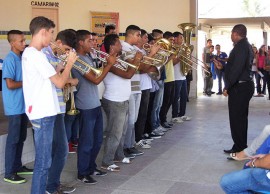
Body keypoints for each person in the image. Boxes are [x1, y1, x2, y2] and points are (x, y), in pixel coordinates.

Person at [22, 16, 77, 194]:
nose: (52, 38)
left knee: (43, 162)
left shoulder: (32, 54)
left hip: (43, 112)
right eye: (51, 33)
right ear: (43, 31)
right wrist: (69, 64)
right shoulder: (36, 55)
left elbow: (46, 79)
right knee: (43, 164)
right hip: (43, 113)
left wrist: (60, 66)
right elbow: (60, 84)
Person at [73, 30, 115, 184]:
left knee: (97, 140)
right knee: (86, 141)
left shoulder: (88, 57)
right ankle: (82, 172)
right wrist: (109, 65)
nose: (93, 44)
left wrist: (104, 64)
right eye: (90, 41)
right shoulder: (77, 60)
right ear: (81, 42)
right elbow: (95, 80)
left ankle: (91, 167)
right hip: (85, 105)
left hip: (95, 103)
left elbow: (97, 75)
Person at [42, 29, 79, 194]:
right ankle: (51, 186)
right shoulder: (44, 54)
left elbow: (56, 75)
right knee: (62, 149)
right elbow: (57, 82)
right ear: (58, 42)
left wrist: (63, 64)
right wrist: (69, 71)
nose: (66, 53)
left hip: (58, 106)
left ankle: (53, 184)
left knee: (56, 149)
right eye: (65, 49)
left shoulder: (53, 55)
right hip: (50, 108)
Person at [101, 33, 138, 171]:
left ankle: (118, 155)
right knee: (114, 133)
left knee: (121, 131)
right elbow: (128, 74)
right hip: (114, 100)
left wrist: (135, 60)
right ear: (111, 46)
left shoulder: (119, 59)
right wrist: (137, 60)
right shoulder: (107, 61)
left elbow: (129, 71)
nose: (121, 45)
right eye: (118, 43)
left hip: (122, 99)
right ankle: (107, 161)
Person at [2, 30, 33, 184]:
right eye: (21, 41)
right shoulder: (10, 60)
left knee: (21, 137)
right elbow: (10, 84)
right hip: (14, 107)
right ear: (12, 43)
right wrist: (28, 83)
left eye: (24, 40)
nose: (23, 43)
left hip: (23, 106)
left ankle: (18, 166)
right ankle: (9, 172)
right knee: (13, 139)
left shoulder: (21, 58)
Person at [223, 24, 254, 154]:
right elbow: (234, 66)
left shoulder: (241, 47)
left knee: (237, 118)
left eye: (231, 33)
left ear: (236, 34)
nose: (231, 36)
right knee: (239, 118)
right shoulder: (244, 46)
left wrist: (227, 86)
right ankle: (240, 145)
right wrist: (223, 67)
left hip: (240, 87)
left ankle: (239, 147)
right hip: (242, 85)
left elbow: (237, 69)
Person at [171, 31, 191, 123]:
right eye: (181, 38)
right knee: (176, 97)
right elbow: (173, 63)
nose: (182, 40)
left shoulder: (183, 48)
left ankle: (182, 114)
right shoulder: (172, 49)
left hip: (183, 76)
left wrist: (189, 62)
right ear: (175, 39)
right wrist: (181, 57)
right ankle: (174, 116)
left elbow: (188, 63)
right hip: (175, 77)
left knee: (184, 96)